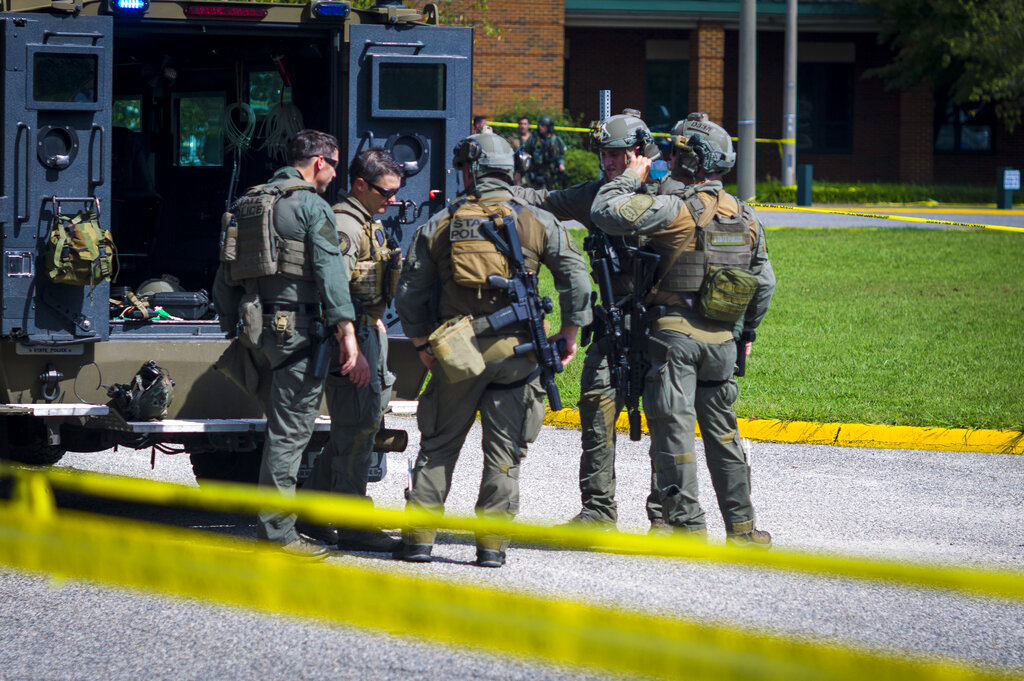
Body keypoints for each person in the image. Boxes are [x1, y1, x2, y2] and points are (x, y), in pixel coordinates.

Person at [393, 132, 591, 567]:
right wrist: (571, 331)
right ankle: (491, 549)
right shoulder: (538, 221)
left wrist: (423, 341)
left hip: (457, 354)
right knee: (504, 456)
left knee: (439, 446)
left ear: (469, 170)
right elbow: (576, 279)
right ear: (510, 170)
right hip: (518, 357)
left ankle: (418, 541)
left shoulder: (442, 222)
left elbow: (409, 290)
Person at [589, 112, 775, 547]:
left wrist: (629, 178)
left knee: (675, 435)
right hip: (723, 343)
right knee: (724, 437)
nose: (667, 158)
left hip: (675, 341)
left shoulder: (676, 211)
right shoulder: (745, 217)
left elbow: (605, 212)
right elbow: (764, 283)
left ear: (691, 161)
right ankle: (744, 531)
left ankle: (686, 528)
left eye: (674, 152)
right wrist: (746, 334)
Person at [212, 129, 365, 559]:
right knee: (289, 434)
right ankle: (278, 534)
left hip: (256, 329)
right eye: (334, 165)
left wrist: (233, 326)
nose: (335, 175)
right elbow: (331, 275)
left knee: (280, 429)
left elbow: (224, 276)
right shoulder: (312, 206)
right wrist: (346, 333)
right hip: (298, 332)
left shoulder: (249, 202)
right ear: (320, 162)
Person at [514, 110, 666, 533]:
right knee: (596, 406)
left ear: (638, 152)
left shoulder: (670, 193)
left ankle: (667, 516)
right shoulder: (598, 193)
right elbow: (543, 201)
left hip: (662, 326)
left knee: (666, 417)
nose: (608, 162)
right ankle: (598, 511)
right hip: (614, 325)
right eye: (604, 154)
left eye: (616, 154)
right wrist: (491, 189)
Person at [295, 149, 403, 553]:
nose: (391, 199)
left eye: (395, 191)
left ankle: (310, 507)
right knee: (357, 430)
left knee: (358, 427)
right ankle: (353, 522)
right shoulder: (345, 224)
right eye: (385, 192)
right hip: (350, 339)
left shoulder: (365, 221)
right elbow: (334, 288)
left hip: (365, 330)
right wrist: (350, 345)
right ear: (360, 185)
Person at [522, 115, 567, 190]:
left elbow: (561, 155)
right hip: (537, 173)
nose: (540, 127)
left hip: (551, 174)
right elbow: (525, 153)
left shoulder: (556, 140)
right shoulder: (533, 139)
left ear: (548, 127)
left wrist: (561, 164)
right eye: (539, 125)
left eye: (543, 125)